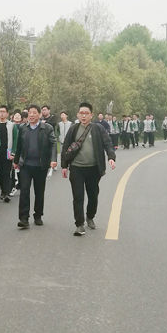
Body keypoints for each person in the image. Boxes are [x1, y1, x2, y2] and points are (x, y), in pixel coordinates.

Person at [61, 101, 116, 236]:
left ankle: (90, 216)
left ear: (91, 115)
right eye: (81, 113)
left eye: (86, 113)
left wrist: (111, 157)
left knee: (93, 195)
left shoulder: (98, 129)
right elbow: (66, 147)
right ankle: (79, 224)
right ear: (78, 115)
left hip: (93, 169)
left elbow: (108, 143)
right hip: (76, 168)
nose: (83, 116)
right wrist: (64, 165)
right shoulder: (73, 129)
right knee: (78, 197)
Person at [13, 104, 57, 228]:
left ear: (39, 114)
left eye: (34, 112)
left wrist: (53, 159)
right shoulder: (23, 128)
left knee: (39, 191)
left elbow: (53, 144)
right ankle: (24, 218)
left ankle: (38, 215)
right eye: (30, 113)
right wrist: (16, 162)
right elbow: (19, 146)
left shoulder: (47, 128)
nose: (31, 115)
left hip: (40, 165)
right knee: (24, 191)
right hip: (26, 165)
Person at [0, 105, 17, 202]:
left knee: (7, 173)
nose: (2, 113)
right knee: (0, 173)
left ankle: (6, 193)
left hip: (7, 151)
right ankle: (3, 190)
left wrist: (13, 153)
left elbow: (15, 139)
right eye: (0, 111)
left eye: (4, 111)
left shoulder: (12, 125)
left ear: (7, 114)